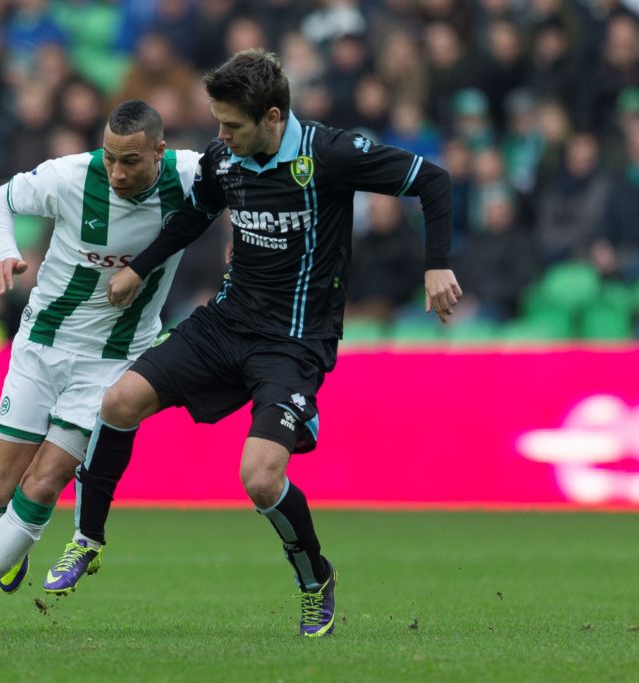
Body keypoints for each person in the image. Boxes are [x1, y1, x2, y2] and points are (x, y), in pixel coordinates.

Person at [37, 49, 462, 638]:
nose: (220, 136)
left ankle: (314, 578)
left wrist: (436, 265)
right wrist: (140, 268)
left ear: (272, 117)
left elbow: (433, 180)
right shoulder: (225, 160)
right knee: (118, 402)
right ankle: (87, 538)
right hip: (226, 322)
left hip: (294, 341)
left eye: (232, 125)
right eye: (218, 122)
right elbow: (193, 217)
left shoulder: (328, 154)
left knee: (260, 478)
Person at [0, 100, 201, 636]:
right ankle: (13, 541)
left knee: (45, 483)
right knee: (3, 490)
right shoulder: (70, 176)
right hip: (41, 345)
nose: (116, 172)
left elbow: (251, 181)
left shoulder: (190, 176)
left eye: (130, 161)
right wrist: (4, 252)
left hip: (112, 361)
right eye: (110, 157)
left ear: (159, 153)